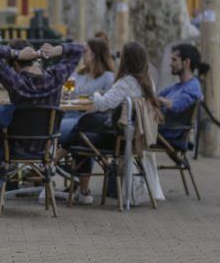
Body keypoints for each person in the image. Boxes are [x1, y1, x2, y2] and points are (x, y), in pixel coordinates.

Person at [0, 40, 84, 200]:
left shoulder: (15, 80)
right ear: (34, 60)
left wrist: (16, 54)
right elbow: (79, 48)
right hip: (46, 149)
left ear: (15, 66)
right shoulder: (55, 78)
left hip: (12, 148)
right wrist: (56, 50)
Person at [64, 41, 162, 204]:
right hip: (135, 138)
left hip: (117, 140)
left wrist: (95, 93)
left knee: (80, 134)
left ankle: (58, 168)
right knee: (80, 129)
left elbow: (102, 104)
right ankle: (75, 184)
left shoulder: (124, 83)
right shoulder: (147, 83)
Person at [58, 36, 117, 148]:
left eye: (85, 51)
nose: (82, 54)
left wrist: (73, 103)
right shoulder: (76, 75)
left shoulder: (108, 78)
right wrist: (84, 102)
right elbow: (64, 98)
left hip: (90, 122)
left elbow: (105, 105)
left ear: (95, 54)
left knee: (54, 131)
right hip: (68, 116)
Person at [157, 43, 206, 143]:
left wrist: (160, 100)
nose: (171, 64)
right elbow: (157, 95)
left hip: (168, 131)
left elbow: (177, 105)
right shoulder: (177, 86)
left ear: (186, 62)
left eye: (174, 60)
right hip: (160, 127)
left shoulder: (193, 87)